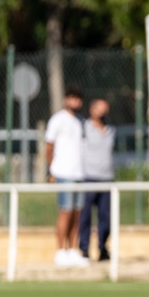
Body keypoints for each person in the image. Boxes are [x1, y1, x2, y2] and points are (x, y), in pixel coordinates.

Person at [44, 86, 88, 267]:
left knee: (77, 213)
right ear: (65, 100)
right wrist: (51, 171)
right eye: (71, 98)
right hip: (63, 172)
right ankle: (60, 250)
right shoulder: (58, 119)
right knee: (66, 211)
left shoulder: (81, 121)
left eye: (77, 98)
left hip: (79, 173)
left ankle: (72, 250)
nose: (74, 102)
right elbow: (49, 146)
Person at [79, 98, 115, 262]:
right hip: (89, 178)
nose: (104, 112)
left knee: (106, 217)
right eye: (100, 108)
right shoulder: (84, 128)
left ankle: (103, 248)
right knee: (85, 215)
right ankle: (84, 249)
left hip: (107, 179)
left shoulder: (111, 130)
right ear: (92, 110)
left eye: (106, 109)